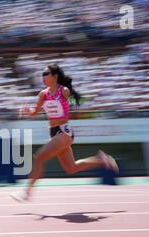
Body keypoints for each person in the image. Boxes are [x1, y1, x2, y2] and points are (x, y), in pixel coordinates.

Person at [12, 64, 118, 202]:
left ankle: (26, 193)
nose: (43, 77)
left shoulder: (64, 91)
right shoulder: (43, 94)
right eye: (42, 74)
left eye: (46, 74)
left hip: (64, 131)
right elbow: (35, 112)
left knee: (39, 157)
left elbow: (75, 101)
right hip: (53, 132)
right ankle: (102, 160)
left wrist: (82, 106)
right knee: (71, 168)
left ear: (55, 76)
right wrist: (27, 111)